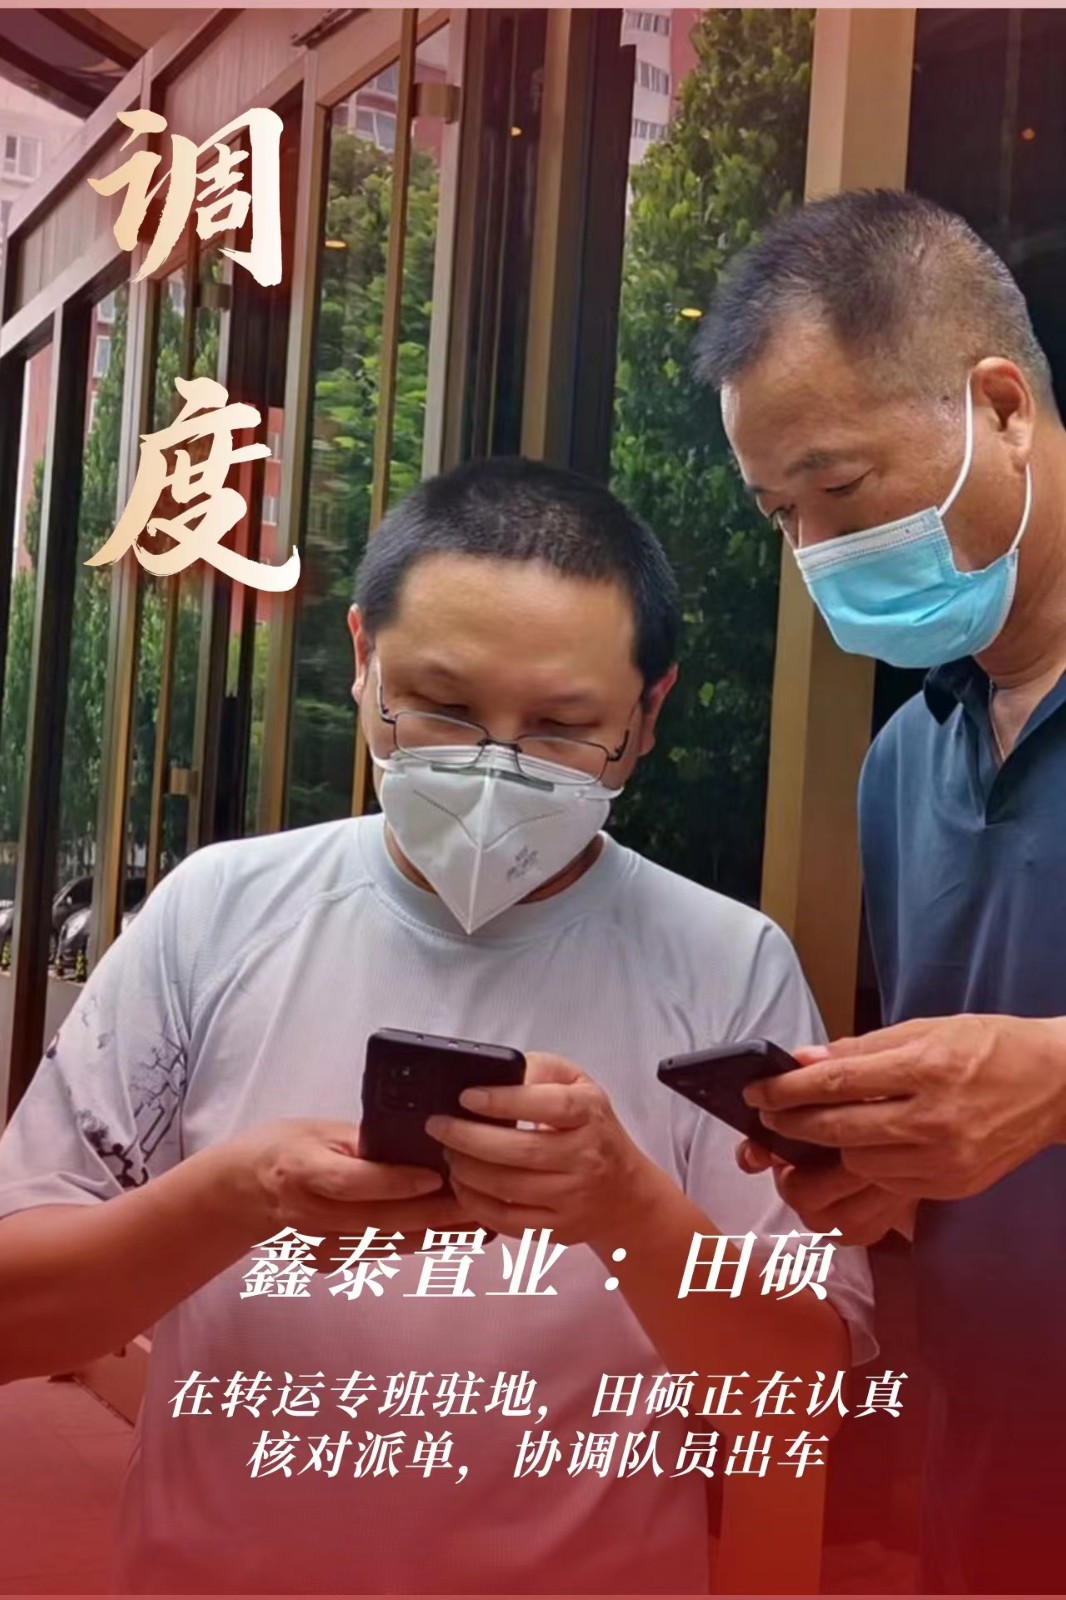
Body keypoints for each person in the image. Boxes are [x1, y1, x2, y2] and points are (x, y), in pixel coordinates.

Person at [0, 458, 874, 1596]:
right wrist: (240, 1195)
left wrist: (626, 1212)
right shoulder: (216, 914)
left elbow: (801, 1393)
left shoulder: (725, 964)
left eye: (563, 727)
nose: (492, 766)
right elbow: (17, 1314)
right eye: (442, 708)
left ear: (647, 715)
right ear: (363, 659)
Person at [694, 187, 1066, 1594]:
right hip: (986, 1492)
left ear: (1000, 408)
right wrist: (883, 1161)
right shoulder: (903, 762)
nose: (815, 554)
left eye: (838, 491)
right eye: (779, 514)